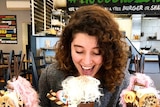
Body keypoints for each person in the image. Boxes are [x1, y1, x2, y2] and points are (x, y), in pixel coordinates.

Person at [39, 4, 130, 107]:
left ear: (109, 52)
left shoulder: (120, 79)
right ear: (69, 47)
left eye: (97, 52)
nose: (87, 61)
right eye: (79, 51)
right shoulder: (51, 77)